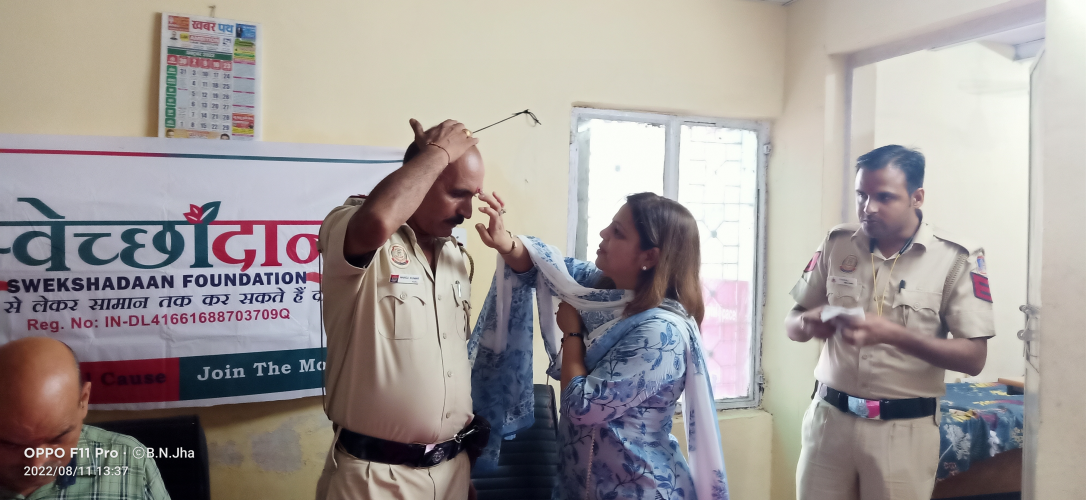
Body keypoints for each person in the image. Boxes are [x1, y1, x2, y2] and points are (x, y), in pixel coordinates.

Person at [471, 192, 728, 500]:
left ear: (650, 257)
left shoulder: (662, 333)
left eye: (618, 232)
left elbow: (581, 406)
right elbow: (547, 268)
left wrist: (573, 334)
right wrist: (507, 243)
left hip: (638, 489)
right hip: (582, 484)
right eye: (610, 226)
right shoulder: (603, 288)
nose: (604, 234)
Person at [786, 145, 995, 500]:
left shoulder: (956, 258)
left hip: (902, 432)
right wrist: (807, 324)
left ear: (917, 197)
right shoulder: (838, 243)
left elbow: (974, 359)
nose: (869, 207)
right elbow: (793, 322)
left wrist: (896, 335)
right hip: (828, 422)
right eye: (861, 195)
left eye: (884, 197)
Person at [315, 118, 490, 500]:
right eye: (458, 194)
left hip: (452, 473)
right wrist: (438, 153)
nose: (468, 211)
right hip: (375, 480)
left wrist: (458, 466)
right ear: (422, 178)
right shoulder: (353, 229)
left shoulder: (457, 258)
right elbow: (377, 220)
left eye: (473, 196)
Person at [0, 337, 171, 500]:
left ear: (83, 401)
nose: (37, 465)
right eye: (11, 444)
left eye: (57, 439)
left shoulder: (130, 460)